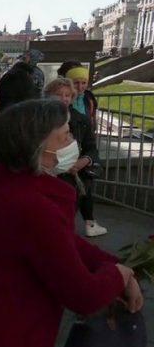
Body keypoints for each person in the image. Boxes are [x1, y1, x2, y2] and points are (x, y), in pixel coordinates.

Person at [0, 99, 142, 347]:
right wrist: (119, 275)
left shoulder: (5, 179)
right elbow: (83, 294)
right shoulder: (33, 205)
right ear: (40, 149)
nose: (73, 140)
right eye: (65, 136)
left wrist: (114, 265)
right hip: (11, 335)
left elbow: (61, 242)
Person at [43, 78, 107, 237]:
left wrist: (83, 161)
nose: (64, 98)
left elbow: (91, 147)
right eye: (59, 95)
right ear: (48, 96)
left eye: (68, 95)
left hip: (72, 176)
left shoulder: (81, 120)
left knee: (65, 217)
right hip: (46, 175)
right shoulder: (39, 118)